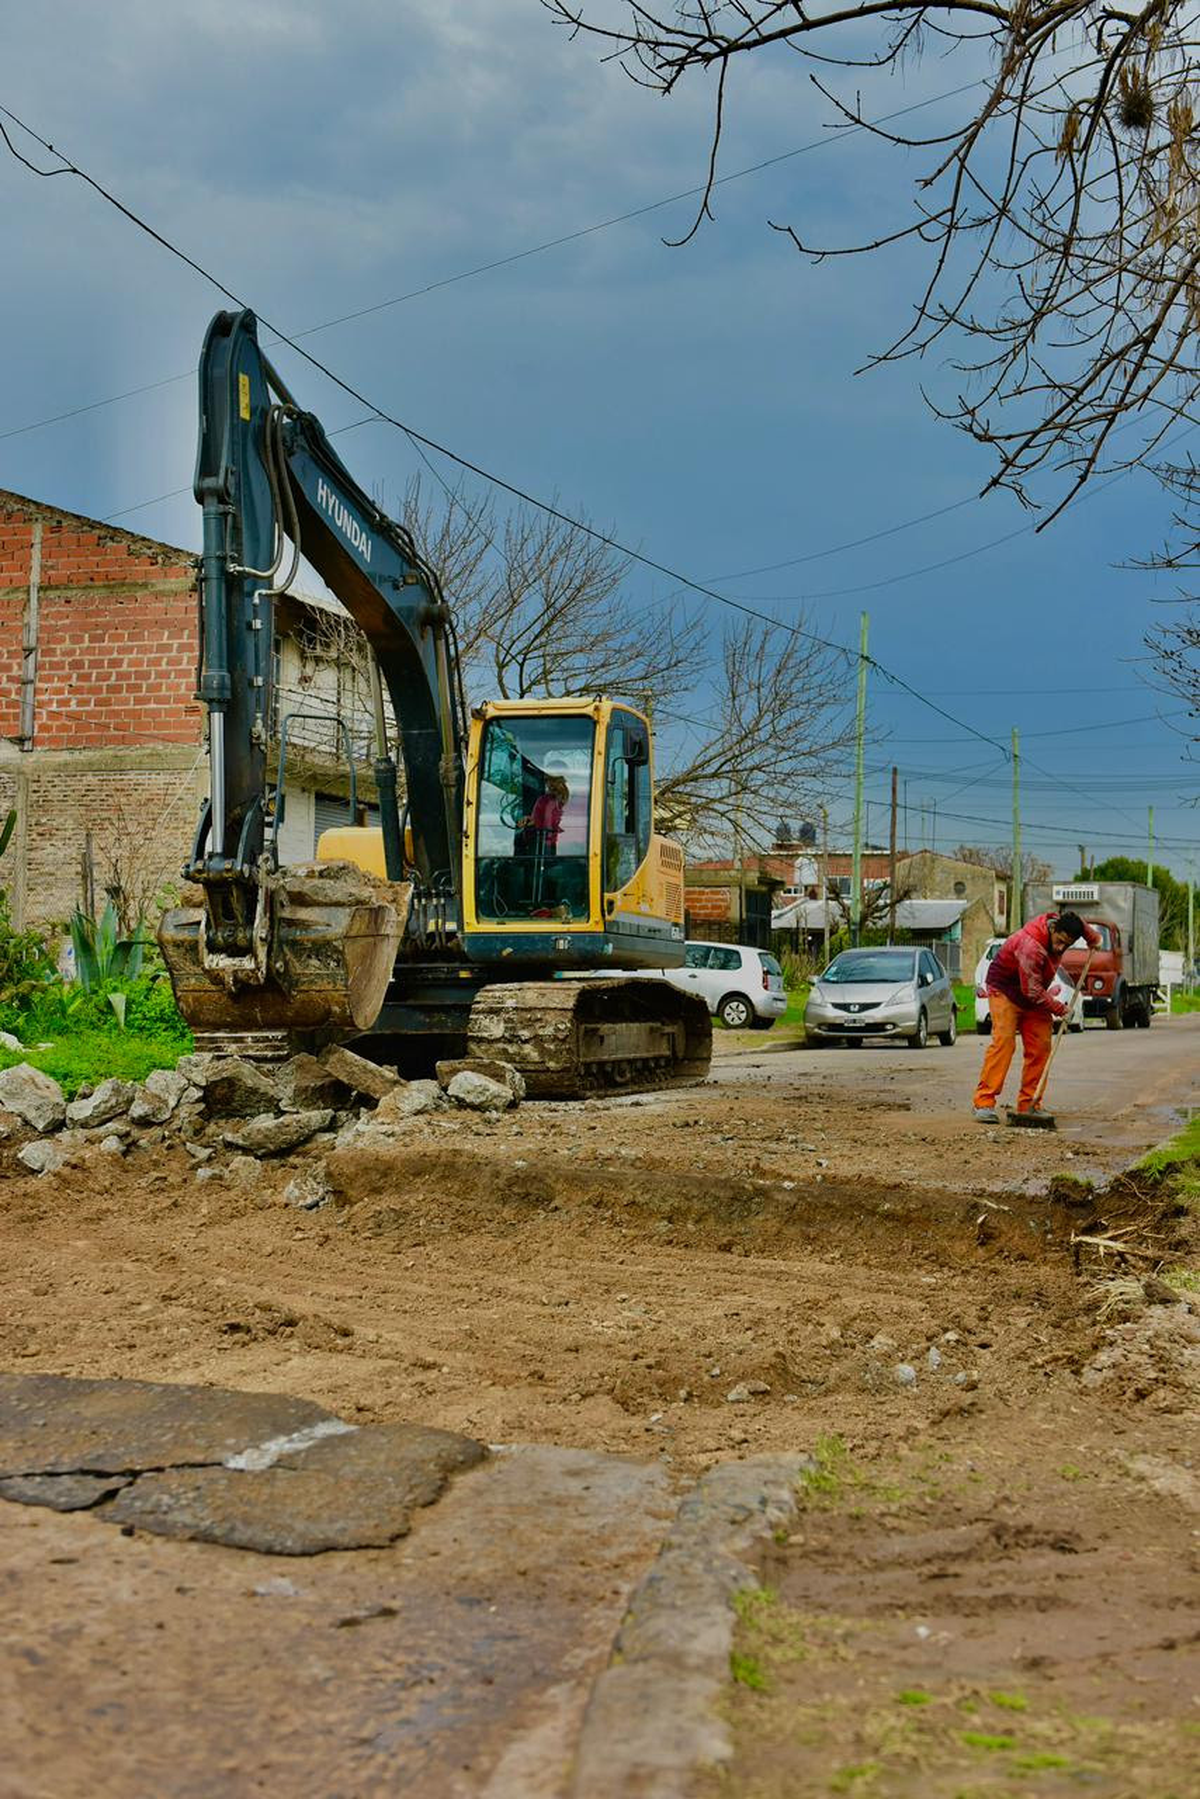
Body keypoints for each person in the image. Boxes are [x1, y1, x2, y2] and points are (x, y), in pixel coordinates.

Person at [973, 908, 1100, 1121]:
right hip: (1005, 989)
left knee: (1040, 1047)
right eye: (1059, 941)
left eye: (1067, 945)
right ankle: (983, 1102)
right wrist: (1060, 1009)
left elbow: (1080, 924)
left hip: (1034, 991)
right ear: (1053, 929)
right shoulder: (1031, 946)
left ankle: (1029, 1104)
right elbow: (1031, 992)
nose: (1060, 948)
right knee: (1004, 1043)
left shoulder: (1066, 925)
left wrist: (1093, 939)